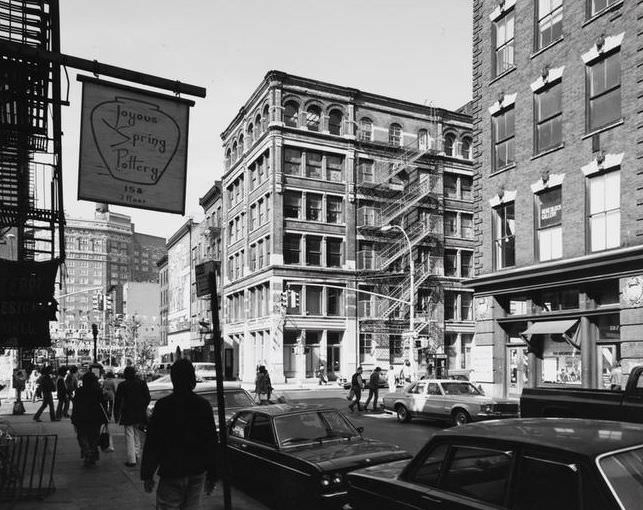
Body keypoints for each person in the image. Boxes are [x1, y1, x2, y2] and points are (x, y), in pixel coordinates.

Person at [141, 359, 218, 509]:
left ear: (174, 379)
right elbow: (210, 442)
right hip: (196, 470)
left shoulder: (163, 406)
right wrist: (213, 474)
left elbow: (153, 442)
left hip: (171, 470)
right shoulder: (203, 405)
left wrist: (148, 474)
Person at [114, 366, 151, 467]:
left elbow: (117, 401)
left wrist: (116, 414)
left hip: (128, 412)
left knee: (129, 434)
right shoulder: (142, 383)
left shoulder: (123, 385)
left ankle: (131, 459)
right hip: (140, 412)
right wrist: (143, 407)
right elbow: (148, 397)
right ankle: (136, 454)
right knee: (136, 433)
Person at [71, 371, 109, 467]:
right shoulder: (97, 391)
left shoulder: (79, 391)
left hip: (81, 417)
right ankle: (92, 453)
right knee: (94, 437)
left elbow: (75, 405)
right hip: (95, 418)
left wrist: (74, 418)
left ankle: (87, 452)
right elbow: (103, 405)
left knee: (82, 436)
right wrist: (105, 418)